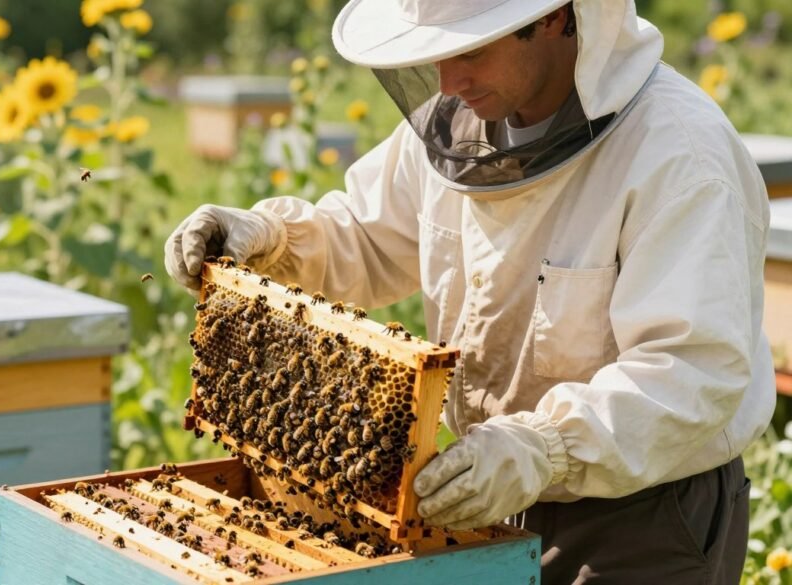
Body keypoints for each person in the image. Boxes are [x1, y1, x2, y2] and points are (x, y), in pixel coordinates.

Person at [166, 0, 774, 581]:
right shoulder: (456, 124)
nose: (449, 80)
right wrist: (270, 238)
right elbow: (367, 237)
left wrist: (540, 449)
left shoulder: (678, 153)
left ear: (554, 16)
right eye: (435, 53)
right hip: (489, 490)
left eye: (471, 50)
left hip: (642, 521)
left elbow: (688, 375)